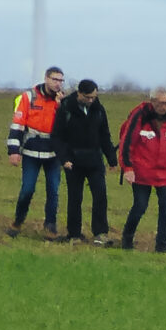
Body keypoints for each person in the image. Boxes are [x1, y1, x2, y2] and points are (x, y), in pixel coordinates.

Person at [117, 87, 166, 253]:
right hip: (142, 171)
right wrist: (128, 168)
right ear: (152, 101)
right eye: (161, 103)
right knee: (140, 206)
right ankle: (127, 238)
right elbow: (127, 143)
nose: (164, 106)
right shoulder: (139, 116)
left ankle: (162, 244)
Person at [6, 66, 68, 239]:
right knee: (27, 189)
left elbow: (67, 127)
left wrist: (61, 107)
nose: (58, 84)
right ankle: (18, 221)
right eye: (55, 80)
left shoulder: (63, 100)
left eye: (61, 81)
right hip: (31, 152)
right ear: (46, 79)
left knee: (53, 191)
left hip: (53, 154)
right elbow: (17, 124)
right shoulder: (29, 97)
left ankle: (50, 226)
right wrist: (13, 150)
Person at [55, 79, 118, 245]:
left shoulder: (98, 110)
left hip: (95, 161)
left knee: (100, 196)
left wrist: (111, 158)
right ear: (79, 94)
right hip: (73, 162)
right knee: (75, 198)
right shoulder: (66, 108)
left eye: (94, 97)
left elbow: (105, 135)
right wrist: (64, 159)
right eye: (88, 97)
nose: (91, 100)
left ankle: (100, 234)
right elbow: (57, 137)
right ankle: (74, 234)